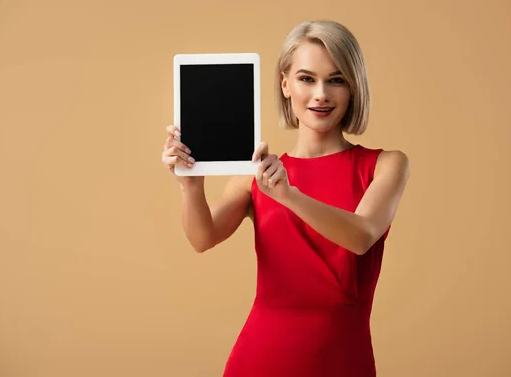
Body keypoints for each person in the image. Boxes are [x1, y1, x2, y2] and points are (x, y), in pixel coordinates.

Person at [162, 20, 410, 377]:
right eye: (307, 79)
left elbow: (361, 236)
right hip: (260, 356)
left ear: (353, 87)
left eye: (336, 79)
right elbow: (202, 238)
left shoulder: (386, 164)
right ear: (285, 85)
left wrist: (288, 195)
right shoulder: (256, 174)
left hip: (343, 359)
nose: (321, 93)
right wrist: (190, 184)